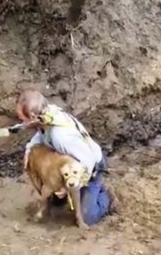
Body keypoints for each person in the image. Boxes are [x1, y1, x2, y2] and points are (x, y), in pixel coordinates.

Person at [16, 89, 113, 225]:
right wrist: (28, 149)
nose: (22, 123)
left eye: (22, 120)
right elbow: (41, 134)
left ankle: (104, 196)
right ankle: (73, 193)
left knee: (87, 217)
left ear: (32, 117)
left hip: (90, 167)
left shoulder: (61, 136)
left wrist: (71, 185)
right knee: (57, 204)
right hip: (68, 164)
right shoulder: (46, 115)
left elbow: (88, 160)